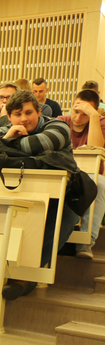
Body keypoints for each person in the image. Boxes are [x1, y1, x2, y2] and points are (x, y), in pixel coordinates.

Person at [0, 91, 79, 300]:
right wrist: (6, 138)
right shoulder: (3, 131)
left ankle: (27, 275)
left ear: (39, 111)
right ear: (9, 116)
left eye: (29, 112)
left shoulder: (58, 126)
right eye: (17, 114)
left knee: (65, 214)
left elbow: (39, 144)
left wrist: (5, 145)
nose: (23, 119)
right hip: (16, 190)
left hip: (59, 196)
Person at [58, 89, 105, 258]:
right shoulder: (61, 121)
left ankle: (85, 242)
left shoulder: (100, 122)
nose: (77, 118)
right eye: (75, 111)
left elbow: (95, 149)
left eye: (85, 114)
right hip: (65, 173)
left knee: (99, 185)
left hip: (90, 174)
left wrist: (94, 117)